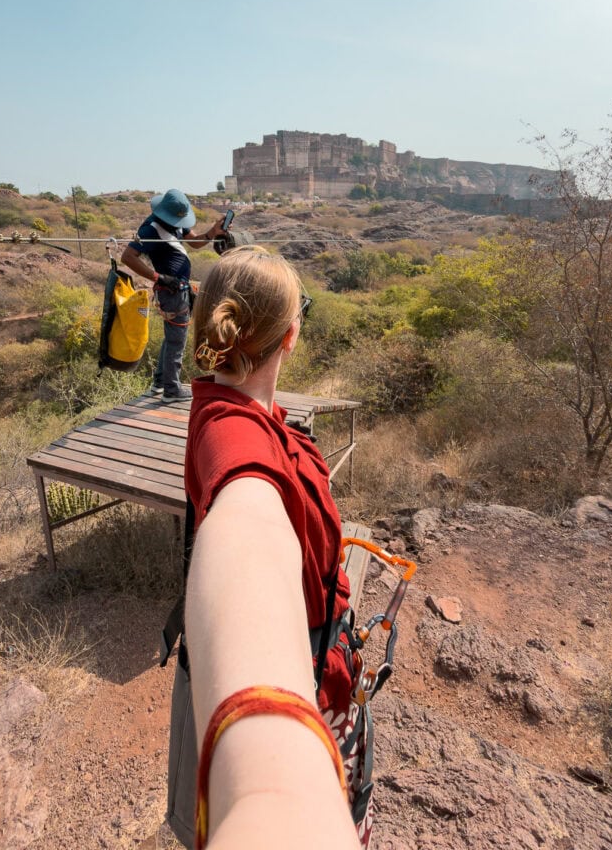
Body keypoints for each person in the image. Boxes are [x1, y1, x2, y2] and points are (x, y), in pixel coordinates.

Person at [183, 246, 370, 850]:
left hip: (322, 659)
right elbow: (248, 532)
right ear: (290, 336)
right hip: (313, 684)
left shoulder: (242, 414)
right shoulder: (240, 447)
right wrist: (274, 795)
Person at [121, 189, 228, 402]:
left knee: (171, 339)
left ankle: (160, 384)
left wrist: (212, 232)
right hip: (171, 292)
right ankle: (172, 390)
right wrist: (158, 278)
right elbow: (128, 257)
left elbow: (195, 243)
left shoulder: (175, 223)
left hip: (178, 290)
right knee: (177, 341)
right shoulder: (150, 229)